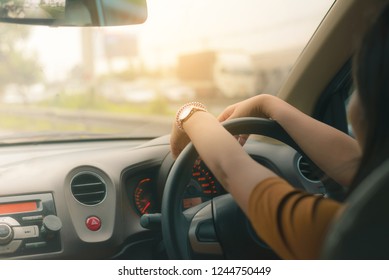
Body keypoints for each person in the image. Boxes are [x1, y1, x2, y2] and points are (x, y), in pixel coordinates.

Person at [170, 4, 389, 260]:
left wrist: (188, 112)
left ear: (373, 107)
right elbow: (359, 166)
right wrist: (266, 103)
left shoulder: (348, 232)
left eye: (357, 86)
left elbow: (232, 169)